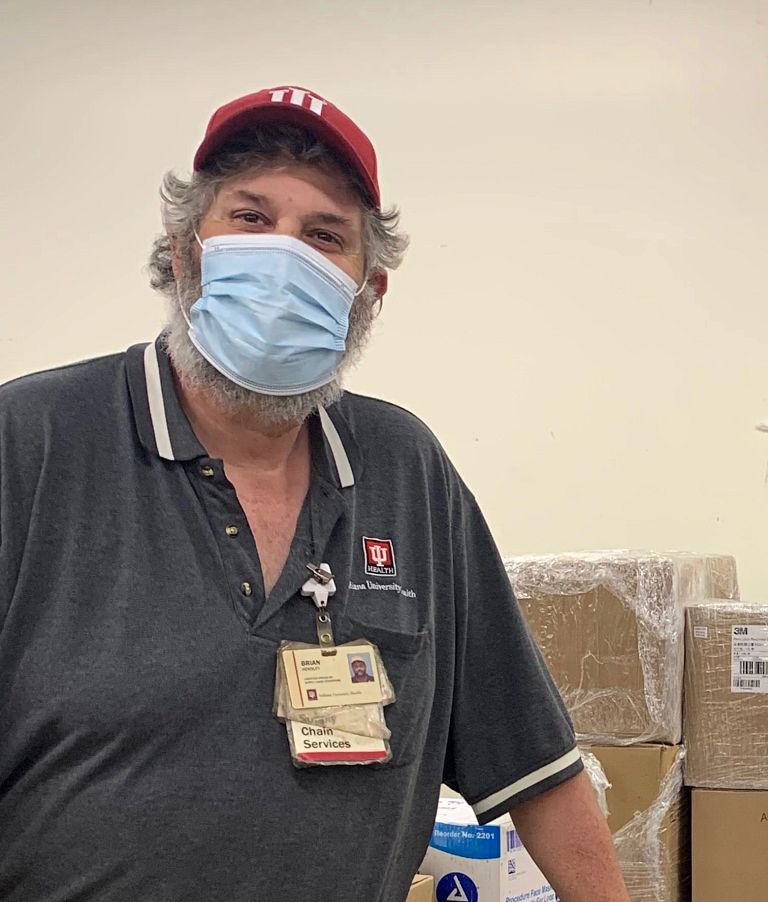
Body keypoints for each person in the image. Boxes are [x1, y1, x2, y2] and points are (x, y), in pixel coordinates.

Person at [0, 85, 629, 901]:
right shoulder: (33, 442)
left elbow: (535, 766)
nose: (283, 257)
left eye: (324, 236)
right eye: (251, 219)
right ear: (185, 248)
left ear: (367, 295)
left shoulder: (406, 469)